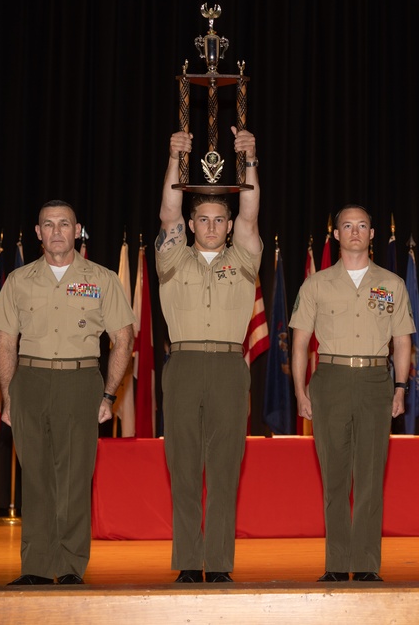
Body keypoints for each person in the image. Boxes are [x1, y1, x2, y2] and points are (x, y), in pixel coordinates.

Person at [0, 200, 135, 585]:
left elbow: (123, 339)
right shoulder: (18, 281)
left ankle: (71, 568)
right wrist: (8, 397)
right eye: (48, 225)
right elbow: (5, 341)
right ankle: (36, 567)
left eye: (64, 224)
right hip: (31, 382)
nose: (56, 231)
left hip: (80, 381)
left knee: (74, 478)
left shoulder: (102, 279)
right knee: (35, 478)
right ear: (38, 233)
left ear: (77, 230)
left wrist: (108, 396)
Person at [155, 127, 263, 583]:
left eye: (221, 219)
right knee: (183, 466)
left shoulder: (243, 257)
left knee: (223, 468)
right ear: (193, 224)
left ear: (229, 225)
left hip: (226, 367)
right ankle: (187, 562)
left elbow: (252, 214)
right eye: (205, 219)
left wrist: (250, 158)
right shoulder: (172, 259)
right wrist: (175, 159)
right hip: (182, 365)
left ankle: (217, 563)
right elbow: (167, 212)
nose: (213, 226)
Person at [289, 204, 414, 582]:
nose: (355, 231)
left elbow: (403, 341)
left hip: (376, 381)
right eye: (348, 225)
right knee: (335, 475)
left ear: (373, 234)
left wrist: (401, 387)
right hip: (330, 379)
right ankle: (336, 562)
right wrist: (300, 391)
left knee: (371, 475)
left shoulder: (392, 283)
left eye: (362, 225)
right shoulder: (316, 283)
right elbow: (298, 343)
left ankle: (365, 565)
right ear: (336, 234)